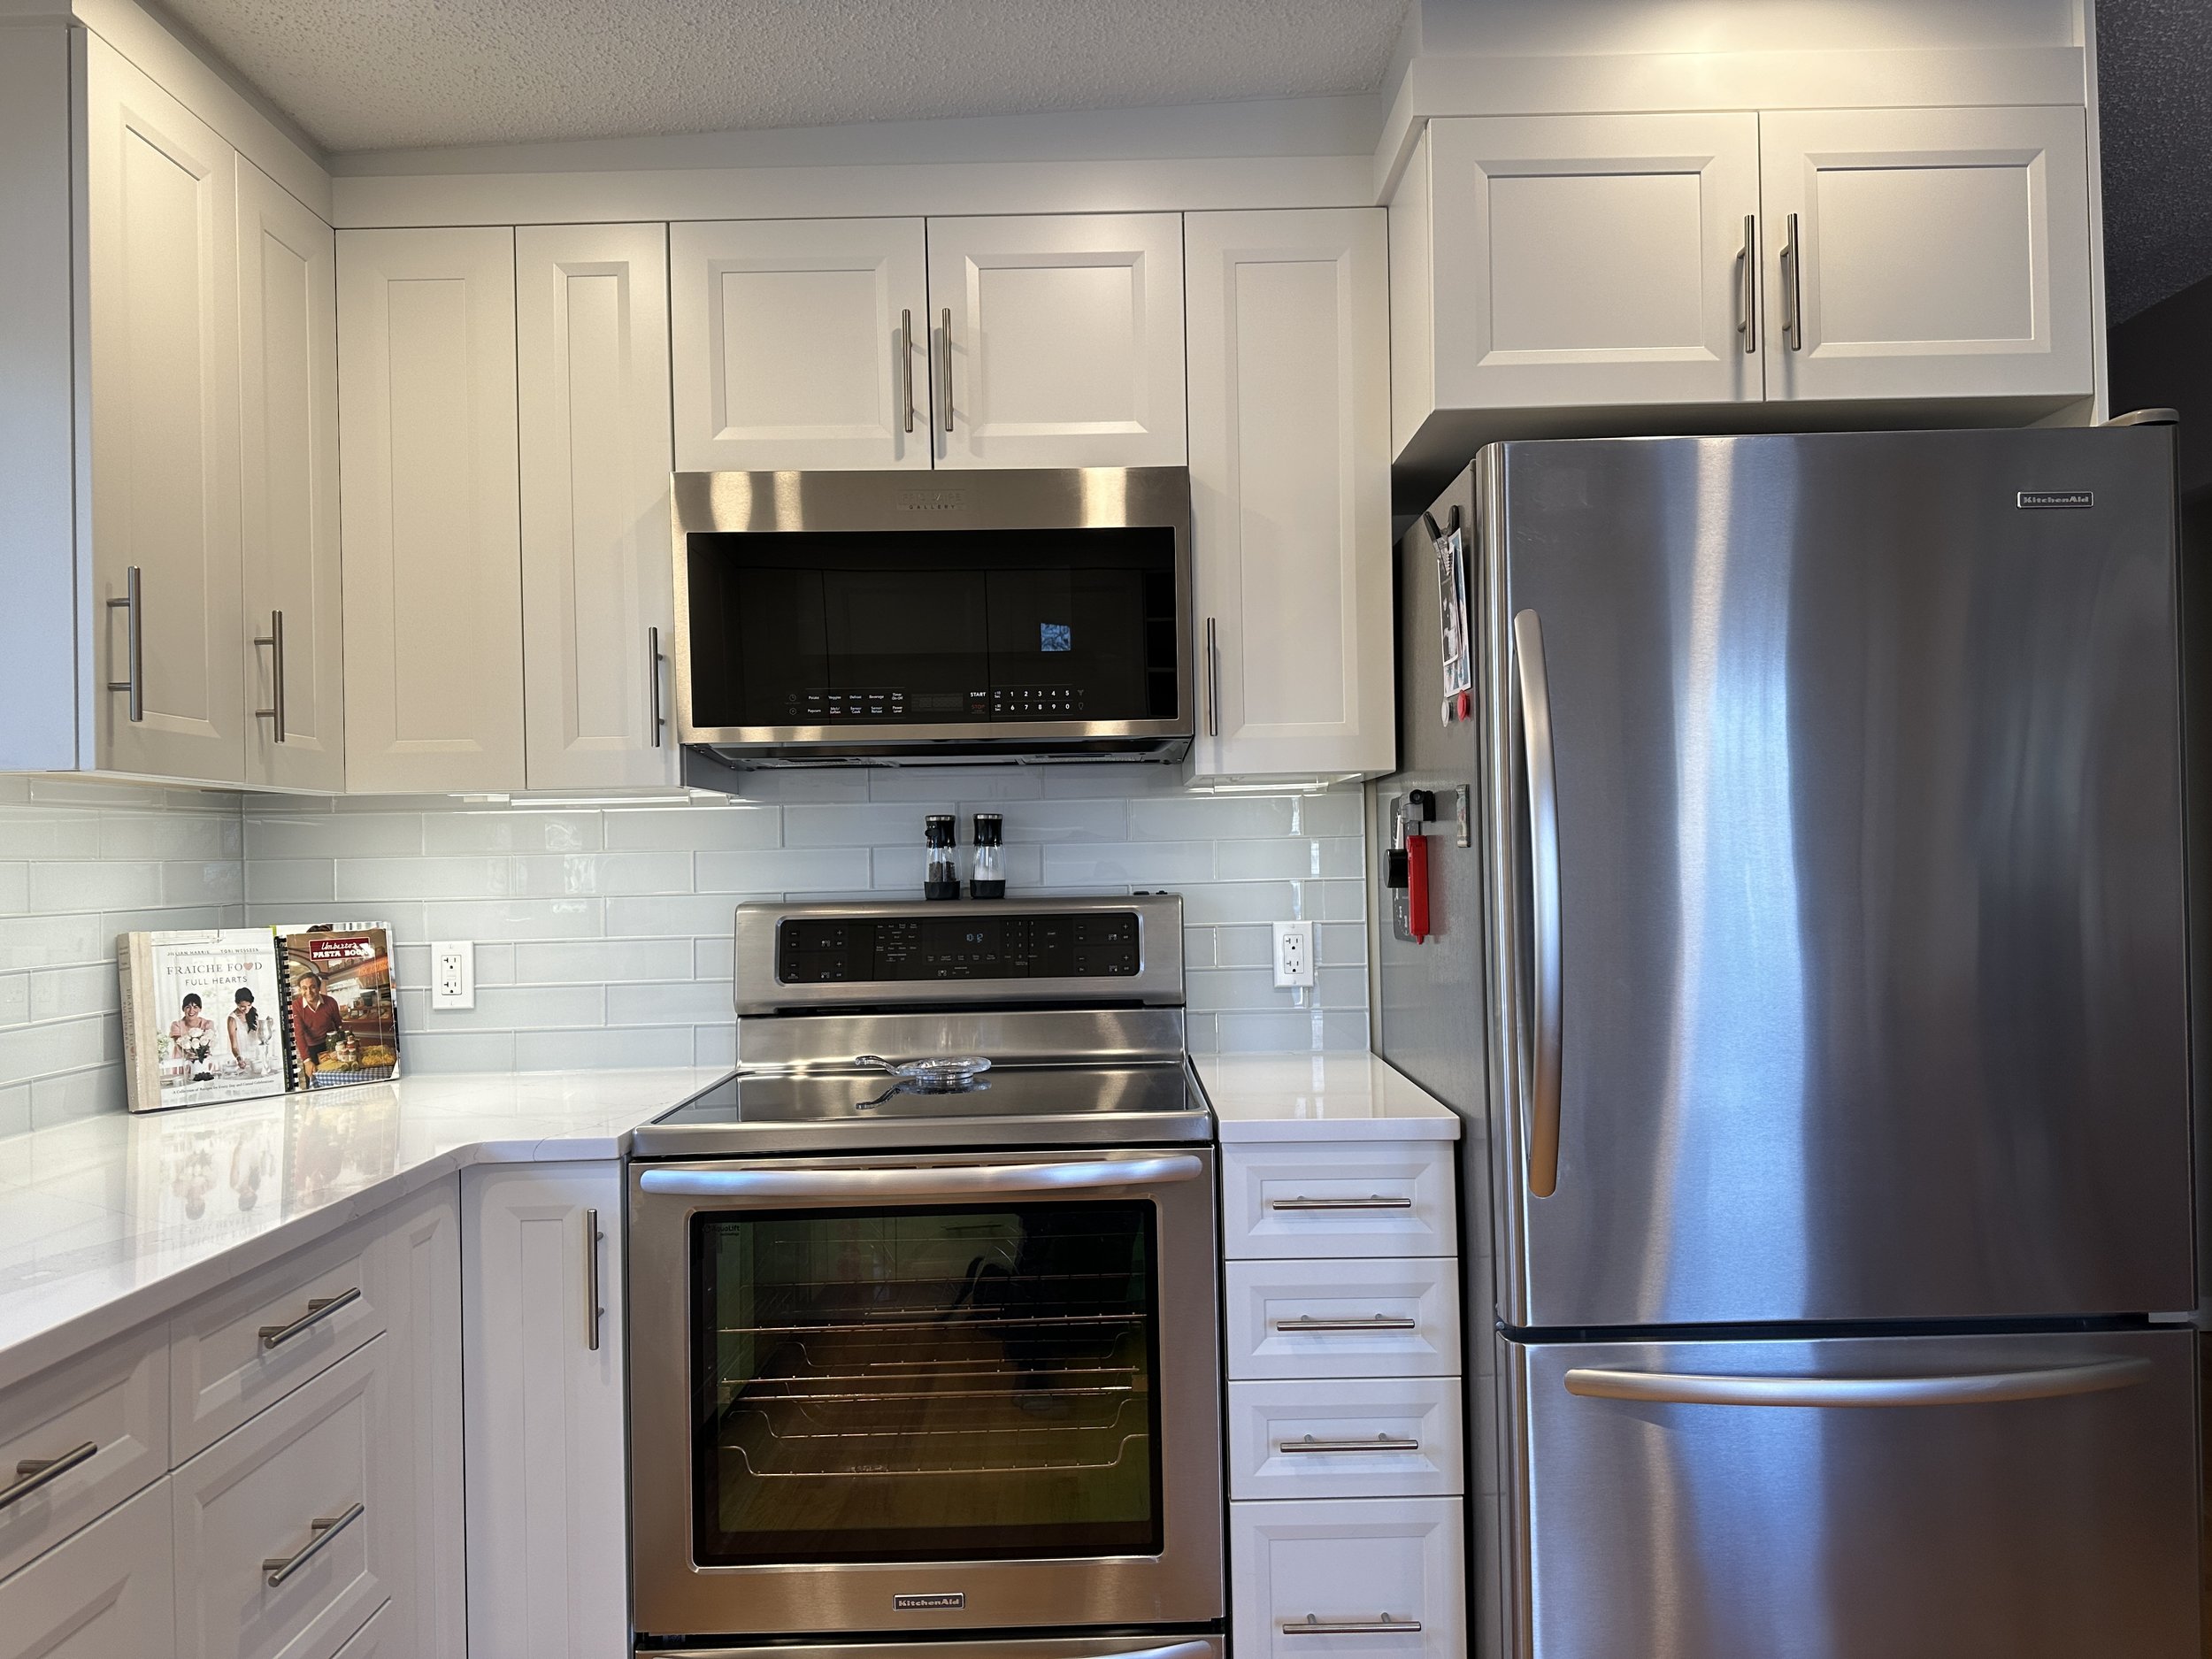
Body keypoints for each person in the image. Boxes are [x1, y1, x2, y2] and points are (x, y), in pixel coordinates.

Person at [288, 972, 345, 1075]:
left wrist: (341, 1046)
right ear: (300, 990)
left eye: (312, 987)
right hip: (310, 1048)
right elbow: (299, 1034)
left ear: (319, 988)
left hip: (331, 1044)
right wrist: (306, 1061)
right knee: (313, 1077)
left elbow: (339, 1026)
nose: (308, 992)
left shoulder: (331, 1002)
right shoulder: (295, 1006)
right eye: (304, 988)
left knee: (337, 1074)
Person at [169, 993, 216, 1081]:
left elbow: (209, 1044)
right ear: (183, 1009)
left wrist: (205, 1052)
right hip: (183, 1062)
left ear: (200, 1009)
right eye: (188, 1007)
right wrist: (187, 1054)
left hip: (202, 1062)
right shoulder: (177, 1025)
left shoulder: (207, 1024)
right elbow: (177, 1044)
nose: (191, 1011)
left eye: (195, 1007)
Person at [227, 987, 272, 1077]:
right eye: (243, 1006)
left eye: (249, 1005)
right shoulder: (232, 1019)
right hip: (243, 1060)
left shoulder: (253, 1012)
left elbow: (258, 1035)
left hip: (257, 1059)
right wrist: (239, 1058)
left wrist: (268, 1025)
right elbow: (234, 1045)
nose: (247, 1009)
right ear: (237, 1003)